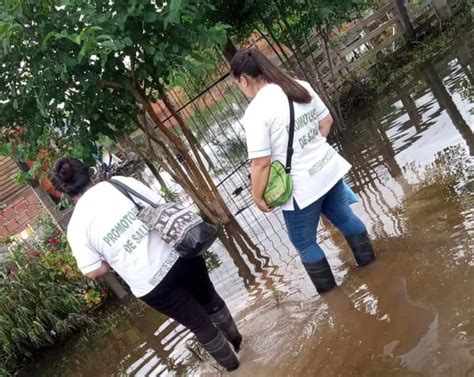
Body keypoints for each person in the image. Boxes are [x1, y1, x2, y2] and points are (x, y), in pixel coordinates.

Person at [51, 157, 241, 372]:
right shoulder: (120, 183)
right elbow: (160, 204)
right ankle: (240, 345)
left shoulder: (77, 227)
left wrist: (110, 263)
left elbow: (92, 270)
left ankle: (236, 369)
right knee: (210, 299)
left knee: (199, 324)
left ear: (64, 192)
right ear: (88, 172)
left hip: (152, 284)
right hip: (180, 254)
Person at [230, 48, 375, 294]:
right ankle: (373, 269)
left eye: (238, 84)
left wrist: (257, 196)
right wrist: (310, 147)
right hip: (328, 171)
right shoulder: (298, 86)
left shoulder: (256, 111)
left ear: (243, 80)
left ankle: (333, 299)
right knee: (345, 218)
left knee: (305, 242)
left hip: (301, 188)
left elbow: (260, 163)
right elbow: (326, 121)